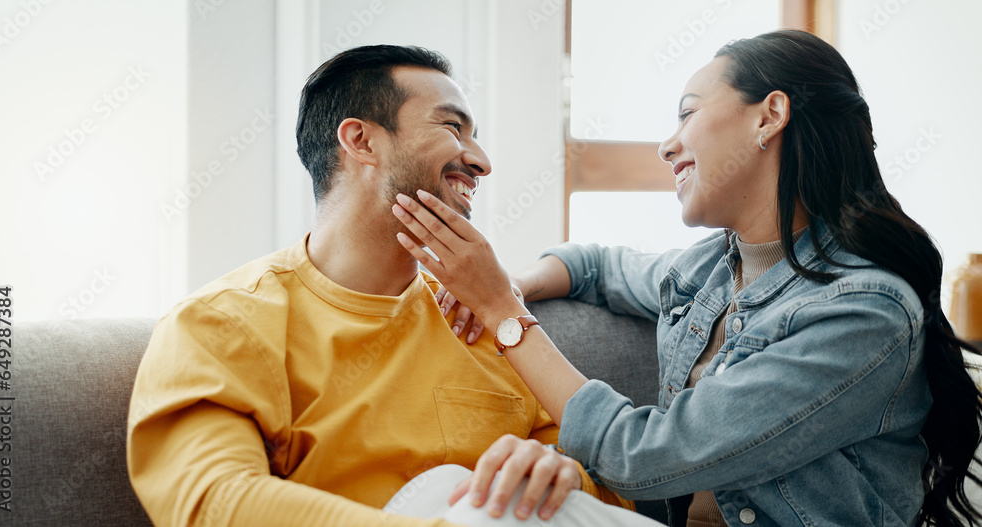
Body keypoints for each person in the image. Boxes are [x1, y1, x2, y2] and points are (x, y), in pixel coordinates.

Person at [391, 30, 982, 526]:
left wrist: (501, 311)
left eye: (688, 113)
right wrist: (512, 283)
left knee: (469, 502)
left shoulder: (862, 311)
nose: (666, 146)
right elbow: (595, 265)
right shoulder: (710, 268)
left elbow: (641, 456)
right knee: (451, 491)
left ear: (770, 116)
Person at [125, 44, 641, 526]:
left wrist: (561, 472)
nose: (481, 161)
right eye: (453, 127)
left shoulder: (485, 322)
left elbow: (611, 495)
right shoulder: (222, 323)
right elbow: (215, 500)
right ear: (362, 140)